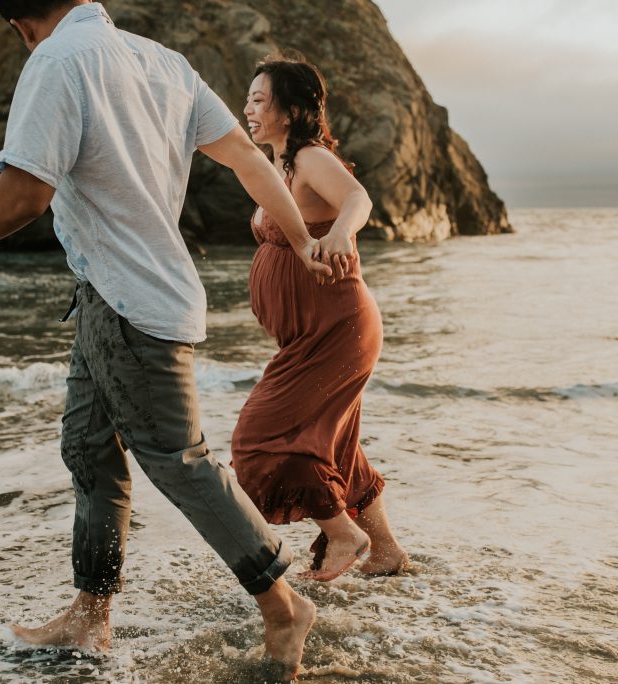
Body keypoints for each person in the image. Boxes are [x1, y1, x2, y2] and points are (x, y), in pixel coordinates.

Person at [0, 2, 335, 677]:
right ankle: (90, 618)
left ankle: (282, 603)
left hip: (132, 307)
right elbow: (245, 158)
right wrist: (299, 236)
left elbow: (23, 194)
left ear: (18, 23)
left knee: (179, 460)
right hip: (111, 299)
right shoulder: (163, 64)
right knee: (88, 447)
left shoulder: (56, 60)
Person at [231, 57, 409, 581]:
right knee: (339, 446)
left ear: (290, 111)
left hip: (338, 330)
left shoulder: (309, 159)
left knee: (260, 439)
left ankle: (343, 535)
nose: (249, 109)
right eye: (248, 99)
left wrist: (336, 235)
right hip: (309, 334)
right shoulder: (275, 167)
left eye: (260, 100)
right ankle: (385, 552)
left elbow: (358, 198)